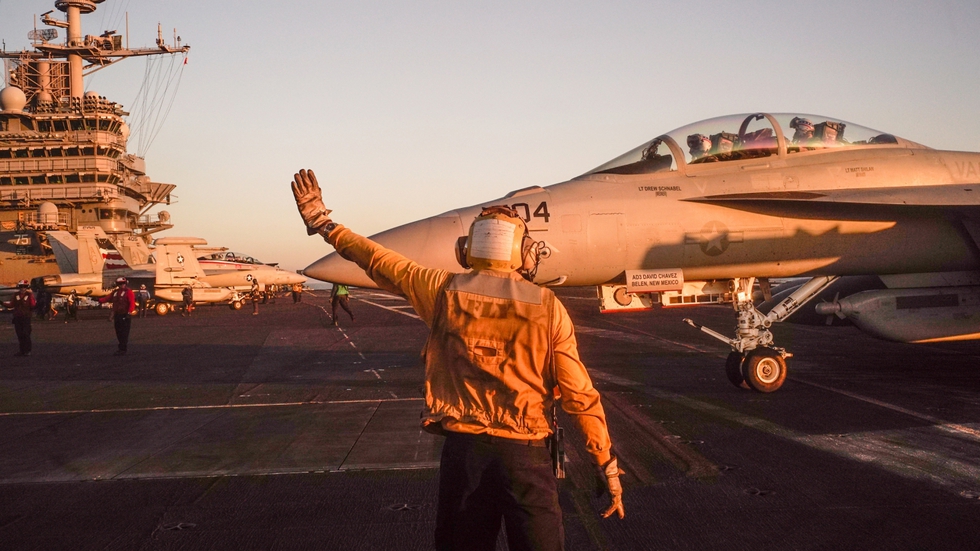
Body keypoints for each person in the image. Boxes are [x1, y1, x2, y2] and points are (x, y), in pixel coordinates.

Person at [291, 169, 624, 551]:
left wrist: (322, 222)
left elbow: (375, 258)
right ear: (523, 252)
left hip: (464, 457)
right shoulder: (548, 308)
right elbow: (579, 395)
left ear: (467, 250)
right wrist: (606, 463)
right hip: (526, 458)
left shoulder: (441, 290)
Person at [98, 276, 136, 355]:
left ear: (125, 284)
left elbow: (132, 303)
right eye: (120, 284)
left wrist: (129, 313)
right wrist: (99, 300)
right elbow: (108, 298)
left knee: (124, 333)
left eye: (122, 284)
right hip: (117, 315)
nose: (121, 285)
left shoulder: (129, 292)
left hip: (125, 315)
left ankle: (123, 349)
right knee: (118, 332)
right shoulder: (115, 292)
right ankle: (121, 348)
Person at [4, 280, 35, 356]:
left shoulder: (29, 295)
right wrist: (2, 303)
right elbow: (11, 304)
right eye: (21, 286)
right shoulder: (16, 295)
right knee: (20, 334)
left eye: (24, 287)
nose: (23, 288)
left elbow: (33, 305)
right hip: (17, 317)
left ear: (27, 287)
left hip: (26, 317)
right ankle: (22, 351)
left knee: (26, 334)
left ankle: (27, 351)